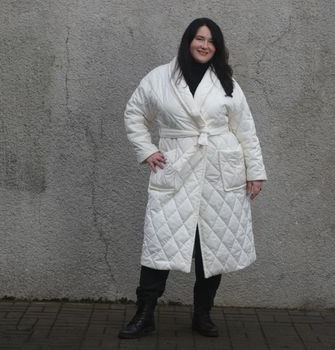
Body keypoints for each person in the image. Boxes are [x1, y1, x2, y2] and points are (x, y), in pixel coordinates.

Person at [120, 18, 267, 339]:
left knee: (211, 247)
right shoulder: (160, 78)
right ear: (188, 41)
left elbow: (245, 129)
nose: (204, 45)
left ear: (218, 47)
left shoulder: (227, 82)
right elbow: (134, 112)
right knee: (160, 241)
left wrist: (254, 171)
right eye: (199, 39)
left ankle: (202, 315)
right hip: (177, 168)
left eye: (211, 41)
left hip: (219, 170)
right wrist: (146, 150)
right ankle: (144, 314)